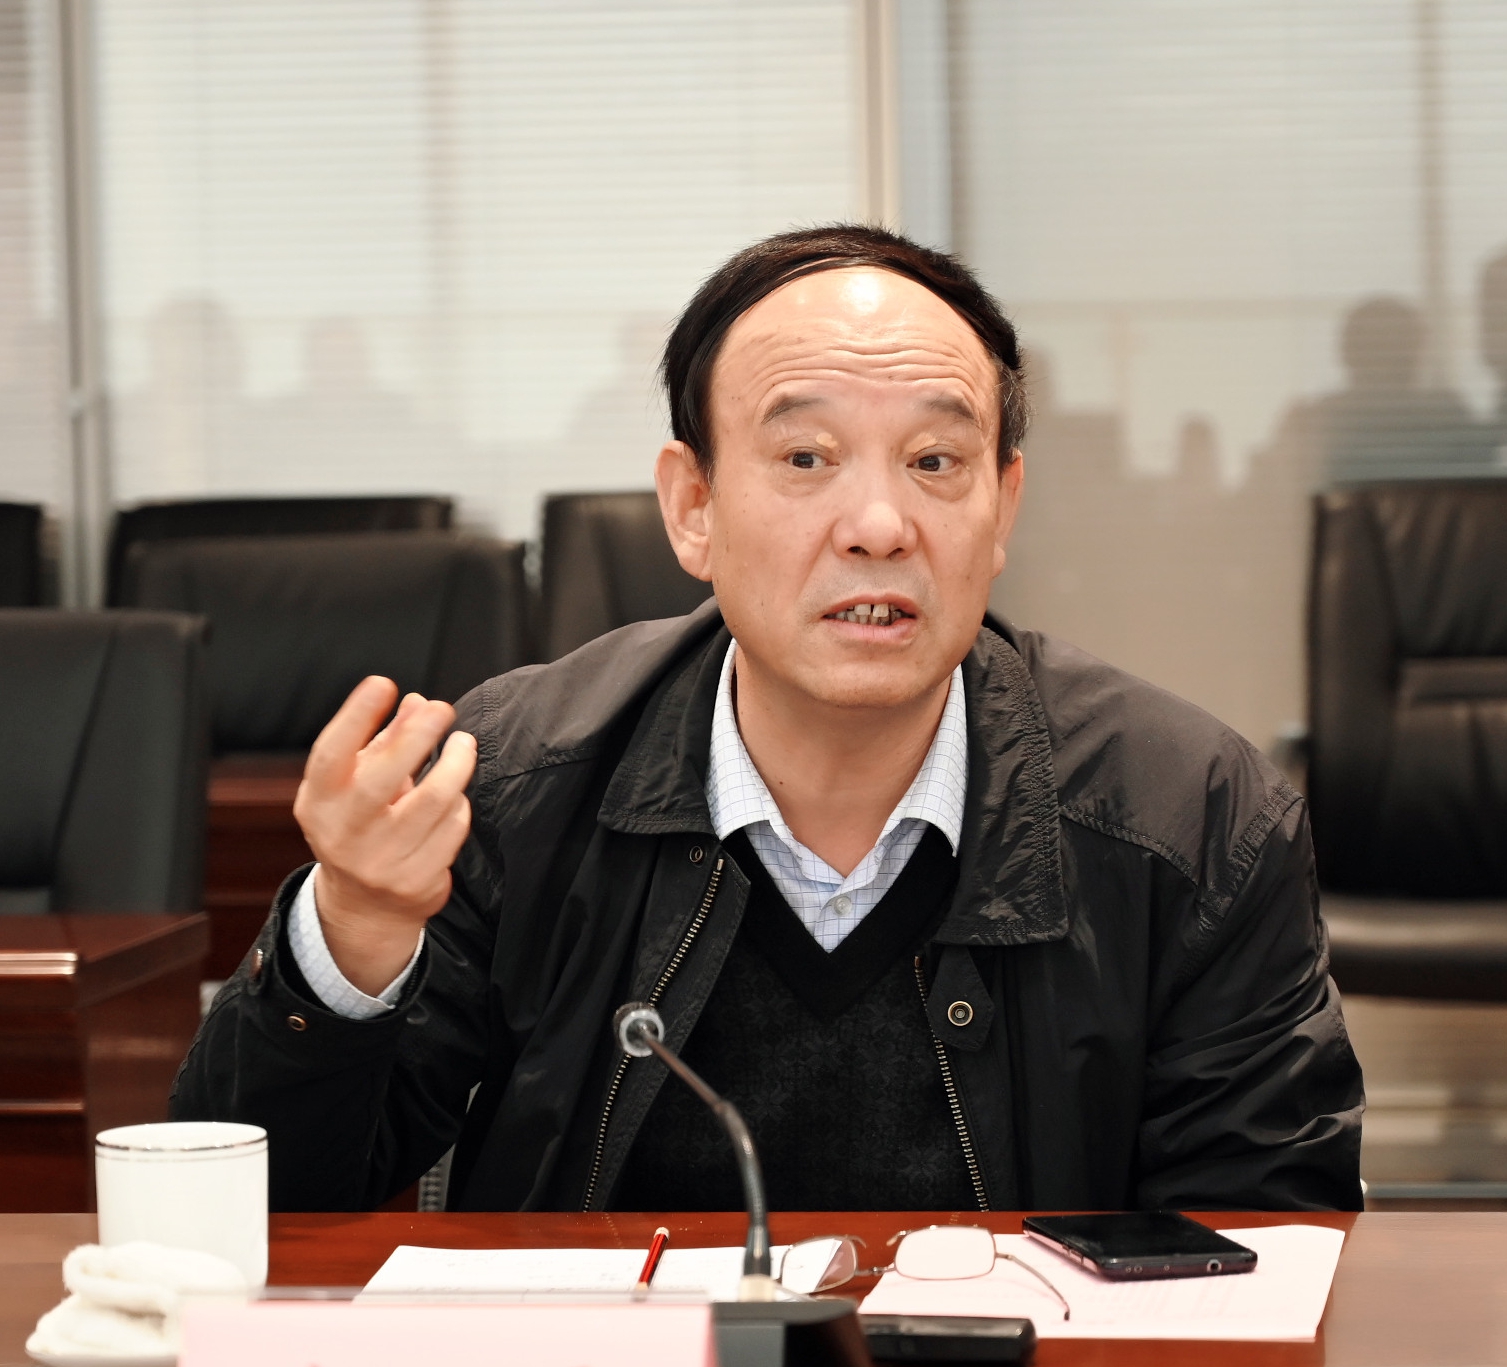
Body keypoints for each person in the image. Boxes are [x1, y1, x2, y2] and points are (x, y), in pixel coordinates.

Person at [172, 225, 1364, 1213]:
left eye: (935, 462)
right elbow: (260, 1207)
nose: (879, 525)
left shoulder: (1192, 817)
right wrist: (355, 930)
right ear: (691, 507)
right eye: (804, 457)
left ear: (1002, 507)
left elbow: (1267, 1252)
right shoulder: (517, 781)